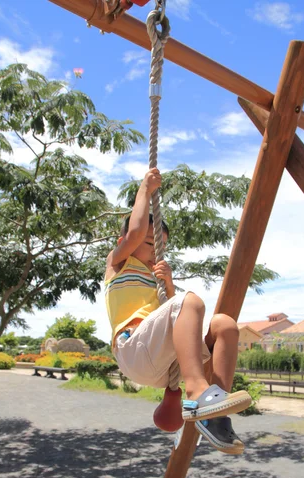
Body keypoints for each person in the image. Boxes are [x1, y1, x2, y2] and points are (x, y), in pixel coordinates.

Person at [105, 168, 251, 454]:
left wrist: (169, 286)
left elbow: (174, 321)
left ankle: (216, 416)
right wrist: (144, 191)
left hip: (161, 361)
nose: (154, 251)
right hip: (133, 350)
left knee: (225, 326)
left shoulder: (156, 278)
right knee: (192, 301)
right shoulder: (118, 264)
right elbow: (134, 233)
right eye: (149, 243)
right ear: (123, 243)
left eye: (160, 246)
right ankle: (197, 392)